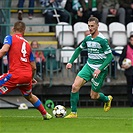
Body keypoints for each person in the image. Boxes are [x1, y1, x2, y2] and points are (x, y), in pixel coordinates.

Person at [0, 21, 52, 120]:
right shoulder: (27, 44)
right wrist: (31, 78)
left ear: (13, 29)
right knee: (29, 96)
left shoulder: (9, 37)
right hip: (27, 76)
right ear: (24, 31)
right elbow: (34, 67)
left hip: (15, 75)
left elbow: (4, 50)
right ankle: (45, 114)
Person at [65, 17, 113, 118]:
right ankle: (74, 113)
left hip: (100, 70)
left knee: (94, 96)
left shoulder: (102, 40)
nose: (90, 28)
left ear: (97, 26)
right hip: (88, 66)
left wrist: (99, 69)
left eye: (92, 26)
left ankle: (107, 99)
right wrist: (70, 62)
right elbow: (78, 49)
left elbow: (110, 57)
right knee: (74, 87)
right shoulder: (87, 39)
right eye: (89, 26)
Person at [119, 35, 133, 107]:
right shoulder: (126, 48)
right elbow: (121, 59)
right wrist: (122, 65)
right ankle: (131, 103)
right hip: (129, 70)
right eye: (131, 40)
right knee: (129, 87)